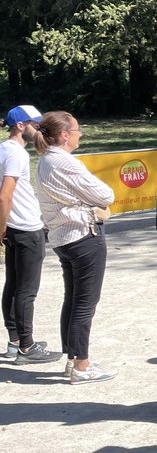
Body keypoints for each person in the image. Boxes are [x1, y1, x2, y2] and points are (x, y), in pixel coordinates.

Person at [35, 111, 116, 385]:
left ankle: (73, 359)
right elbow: (106, 195)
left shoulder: (45, 160)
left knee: (72, 299)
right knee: (85, 303)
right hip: (83, 235)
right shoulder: (65, 162)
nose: (81, 134)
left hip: (62, 237)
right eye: (78, 129)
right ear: (65, 134)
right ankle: (82, 365)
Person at [1, 105, 56, 364]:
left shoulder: (4, 149)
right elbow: (5, 195)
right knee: (26, 290)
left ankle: (15, 340)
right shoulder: (17, 155)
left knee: (13, 284)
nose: (39, 129)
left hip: (15, 227)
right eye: (35, 124)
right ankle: (26, 345)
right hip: (25, 228)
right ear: (21, 126)